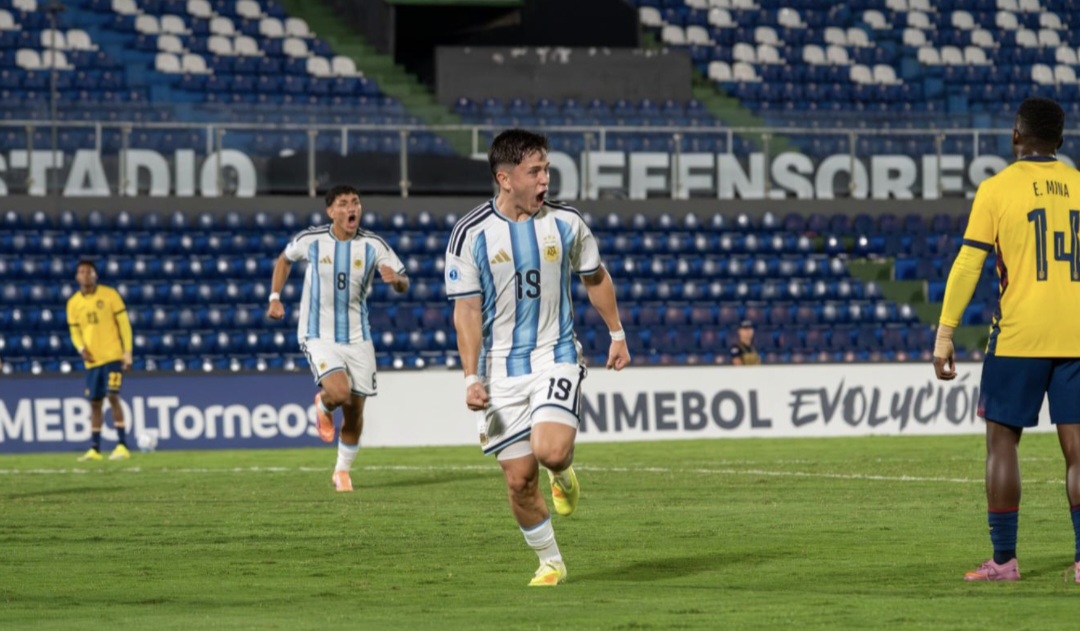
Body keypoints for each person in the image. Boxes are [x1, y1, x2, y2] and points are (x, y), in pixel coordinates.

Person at [445, 129, 631, 587]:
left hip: (556, 354)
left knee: (550, 451)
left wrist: (617, 334)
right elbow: (466, 310)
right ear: (505, 179)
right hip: (501, 371)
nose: (546, 178)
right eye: (535, 171)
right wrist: (471, 376)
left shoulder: (566, 222)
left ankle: (564, 473)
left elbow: (595, 276)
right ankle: (550, 561)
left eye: (546, 168)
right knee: (518, 480)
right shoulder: (470, 234)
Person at [933, 97, 1080, 583]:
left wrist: (946, 334)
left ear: (1016, 136)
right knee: (1079, 450)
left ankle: (1004, 561)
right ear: (1059, 141)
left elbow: (969, 263)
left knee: (1002, 444)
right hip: (1077, 335)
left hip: (1019, 335)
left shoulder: (996, 189)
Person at [268, 184, 409, 492]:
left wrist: (396, 280)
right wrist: (275, 297)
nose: (351, 208)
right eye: (343, 204)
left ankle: (341, 471)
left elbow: (404, 282)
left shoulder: (374, 245)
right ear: (330, 211)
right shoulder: (312, 240)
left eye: (355, 202)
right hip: (318, 334)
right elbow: (284, 260)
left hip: (358, 337)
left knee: (355, 412)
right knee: (339, 392)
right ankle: (323, 405)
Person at [66, 259, 133, 461]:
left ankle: (122, 445)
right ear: (77, 276)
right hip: (92, 362)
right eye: (82, 271)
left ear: (95, 275)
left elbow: (124, 324)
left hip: (112, 356)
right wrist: (80, 348)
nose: (85, 275)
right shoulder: (73, 303)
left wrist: (127, 351)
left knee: (113, 396)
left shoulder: (110, 295)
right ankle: (95, 448)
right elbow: (74, 330)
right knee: (95, 403)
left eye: (89, 271)